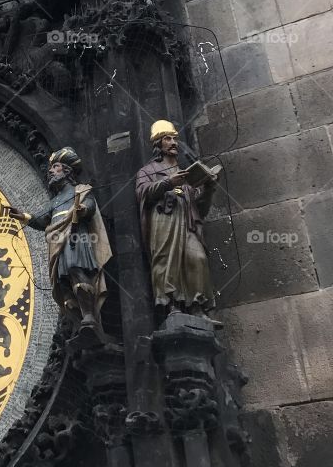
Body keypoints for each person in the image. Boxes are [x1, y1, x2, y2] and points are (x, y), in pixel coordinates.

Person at [15, 147, 112, 336]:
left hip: (76, 237)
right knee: (62, 281)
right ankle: (77, 319)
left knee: (77, 270)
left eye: (55, 167)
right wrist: (24, 216)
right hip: (57, 243)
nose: (51, 171)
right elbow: (43, 220)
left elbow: (90, 206)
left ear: (66, 171)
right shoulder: (56, 200)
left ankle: (89, 316)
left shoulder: (81, 191)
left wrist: (83, 208)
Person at [135, 120, 216, 316]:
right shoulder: (148, 171)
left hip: (187, 221)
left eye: (175, 139)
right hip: (164, 219)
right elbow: (142, 193)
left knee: (198, 258)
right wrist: (168, 182)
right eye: (168, 139)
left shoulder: (187, 174)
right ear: (158, 145)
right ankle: (172, 306)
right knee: (166, 260)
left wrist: (209, 189)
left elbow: (200, 207)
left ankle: (197, 306)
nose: (173, 143)